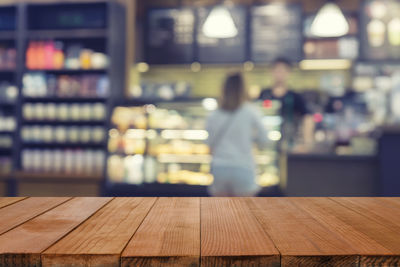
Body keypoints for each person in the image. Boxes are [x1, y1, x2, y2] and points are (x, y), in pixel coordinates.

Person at [206, 73, 268, 197]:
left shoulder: (214, 114)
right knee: (244, 214)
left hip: (220, 169)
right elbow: (265, 139)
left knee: (220, 214)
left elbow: (209, 144)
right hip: (243, 168)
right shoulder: (251, 111)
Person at [259, 58, 314, 150]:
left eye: (283, 71)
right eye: (277, 70)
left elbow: (307, 117)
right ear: (271, 72)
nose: (279, 74)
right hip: (267, 145)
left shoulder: (295, 96)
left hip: (290, 144)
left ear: (289, 73)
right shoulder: (264, 94)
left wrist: (306, 142)